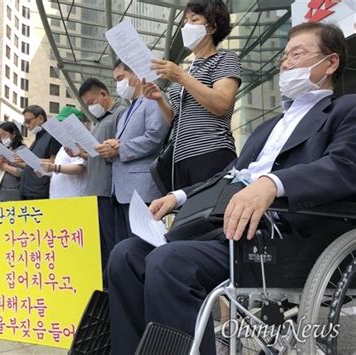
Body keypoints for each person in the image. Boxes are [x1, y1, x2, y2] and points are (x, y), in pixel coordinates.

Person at [107, 22, 356, 355]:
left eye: (297, 53)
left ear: (331, 63)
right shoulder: (269, 127)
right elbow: (231, 174)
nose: (285, 63)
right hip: (225, 226)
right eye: (283, 55)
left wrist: (272, 183)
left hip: (281, 234)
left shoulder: (345, 110)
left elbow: (343, 167)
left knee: (170, 262)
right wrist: (179, 196)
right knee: (126, 254)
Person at [143, 0, 241, 190]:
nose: (187, 26)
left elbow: (221, 104)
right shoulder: (189, 70)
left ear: (212, 27)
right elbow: (177, 119)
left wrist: (181, 76)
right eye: (184, 22)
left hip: (211, 151)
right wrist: (159, 99)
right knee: (185, 217)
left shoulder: (225, 58)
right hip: (180, 157)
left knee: (207, 215)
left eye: (194, 20)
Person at [96, 59, 169, 244]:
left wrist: (120, 148)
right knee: (125, 245)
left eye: (121, 77)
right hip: (122, 190)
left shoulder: (151, 100)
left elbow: (155, 136)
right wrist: (112, 147)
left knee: (141, 245)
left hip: (141, 189)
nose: (118, 83)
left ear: (136, 74)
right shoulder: (128, 110)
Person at [77, 78, 126, 273]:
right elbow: (96, 155)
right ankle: (105, 280)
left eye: (91, 102)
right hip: (95, 188)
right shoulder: (100, 121)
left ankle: (112, 280)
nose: (90, 107)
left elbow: (119, 149)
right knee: (101, 242)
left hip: (107, 189)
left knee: (111, 239)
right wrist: (81, 152)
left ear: (103, 94)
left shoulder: (119, 114)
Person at [42, 106, 87, 199]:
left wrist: (54, 167)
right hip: (58, 196)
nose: (61, 126)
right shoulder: (63, 145)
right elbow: (60, 170)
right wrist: (45, 171)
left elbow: (80, 168)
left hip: (73, 197)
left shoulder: (82, 143)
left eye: (64, 123)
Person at [18, 105, 61, 200]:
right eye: (25, 122)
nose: (27, 126)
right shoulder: (38, 137)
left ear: (40, 118)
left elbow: (54, 162)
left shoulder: (53, 135)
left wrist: (27, 158)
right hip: (29, 189)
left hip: (40, 191)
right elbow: (35, 163)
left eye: (29, 121)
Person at [0, 121, 26, 202]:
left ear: (13, 134)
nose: (2, 138)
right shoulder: (4, 149)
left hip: (12, 191)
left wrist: (3, 166)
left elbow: (22, 173)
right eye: (0, 136)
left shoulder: (22, 149)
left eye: (4, 134)